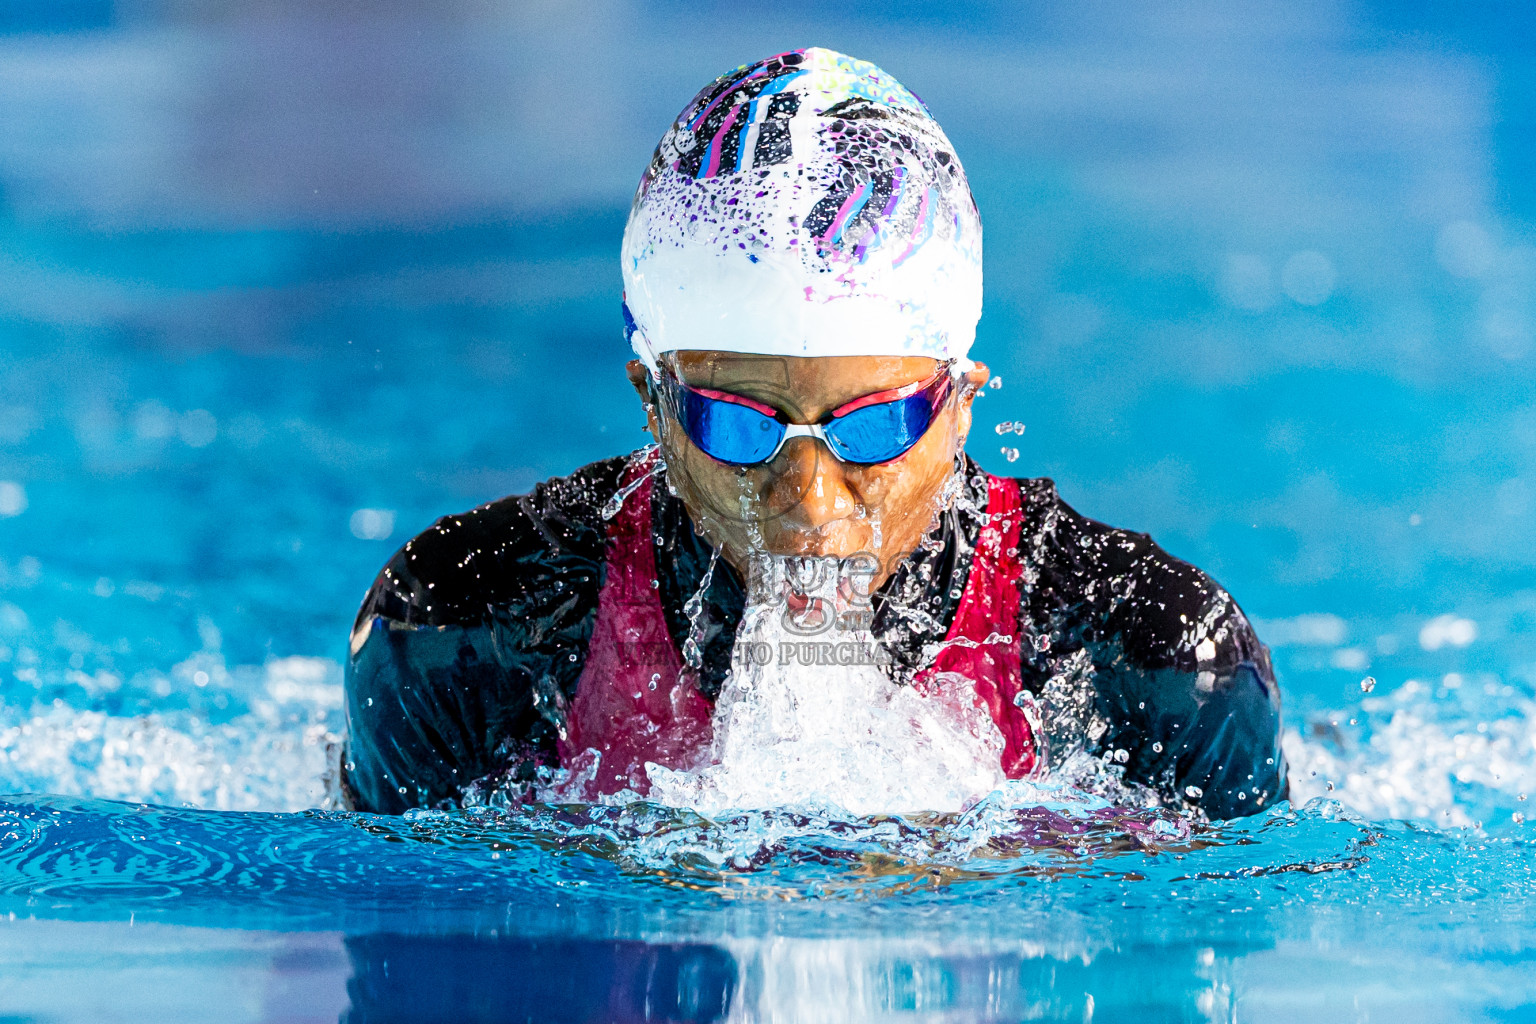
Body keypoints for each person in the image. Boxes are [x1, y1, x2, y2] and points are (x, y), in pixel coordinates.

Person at [341, 48, 1286, 819]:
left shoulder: (1150, 659)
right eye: (740, 426)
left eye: (874, 428)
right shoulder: (469, 629)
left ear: (959, 401)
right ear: (654, 403)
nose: (808, 505)